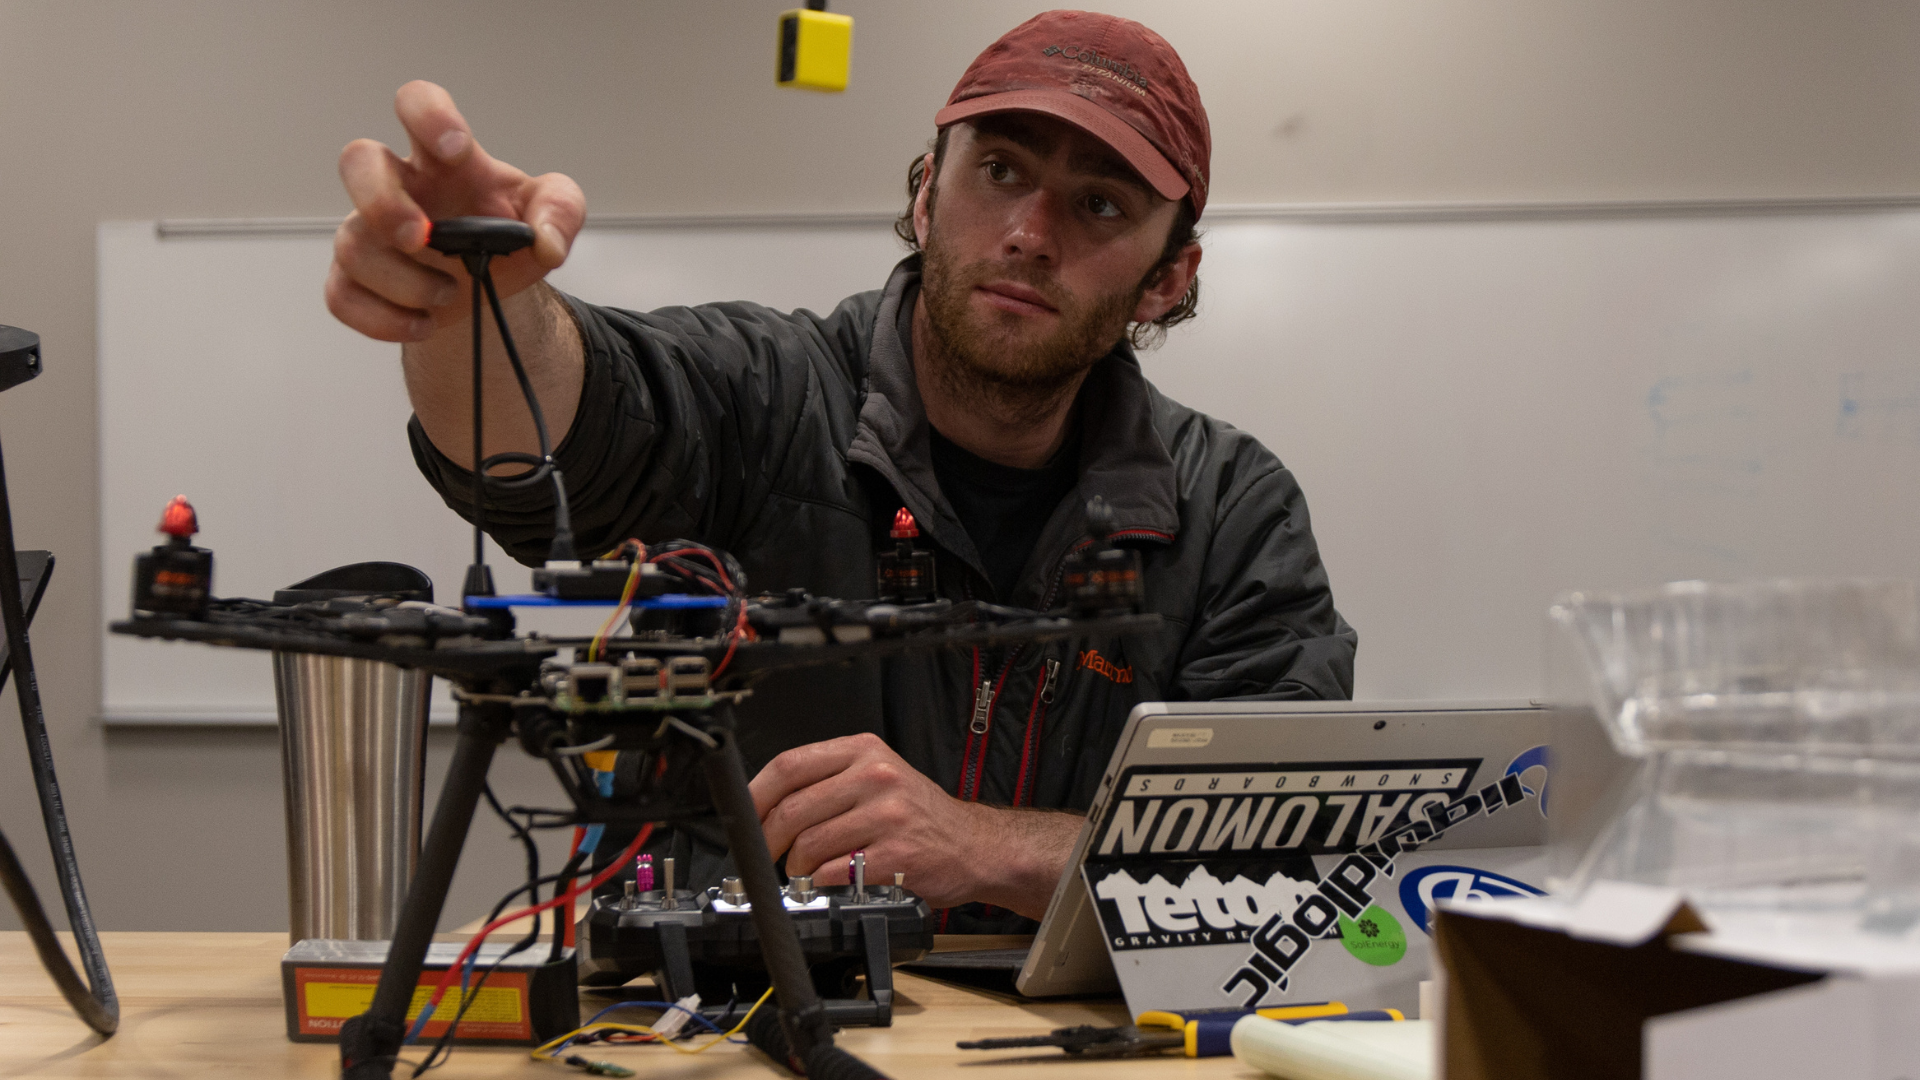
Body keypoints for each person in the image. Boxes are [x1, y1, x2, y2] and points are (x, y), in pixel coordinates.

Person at [325, 10, 1357, 933]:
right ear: (924, 194)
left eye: (1098, 206)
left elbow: (1280, 855)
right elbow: (578, 420)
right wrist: (479, 307)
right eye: (999, 171)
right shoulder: (764, 397)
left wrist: (989, 848)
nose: (1030, 235)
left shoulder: (1230, 512)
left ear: (1168, 276)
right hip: (736, 1034)